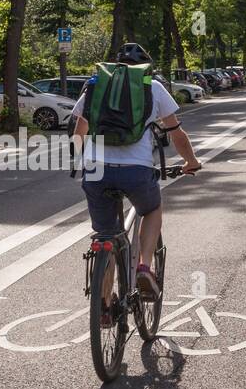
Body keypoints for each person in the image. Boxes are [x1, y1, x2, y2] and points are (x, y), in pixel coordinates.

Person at [71, 43, 200, 306]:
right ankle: (144, 267)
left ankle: (104, 306)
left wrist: (82, 161)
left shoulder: (96, 85)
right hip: (136, 170)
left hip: (96, 171)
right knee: (151, 209)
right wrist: (191, 161)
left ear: (116, 64)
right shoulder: (152, 86)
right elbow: (175, 133)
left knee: (106, 234)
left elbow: (79, 131)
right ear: (144, 67)